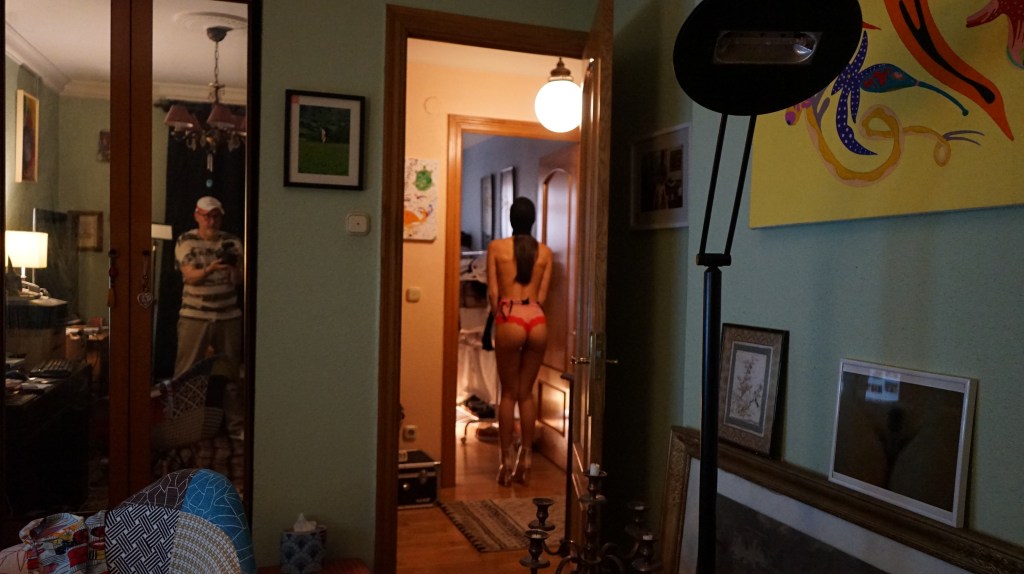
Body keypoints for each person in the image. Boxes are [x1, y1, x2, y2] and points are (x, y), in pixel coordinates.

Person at [487, 197, 552, 486]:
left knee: (508, 394)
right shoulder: (545, 252)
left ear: (511, 219)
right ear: (533, 220)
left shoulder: (496, 248)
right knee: (526, 394)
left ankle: (505, 461)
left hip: (509, 315)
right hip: (536, 318)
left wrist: (500, 318)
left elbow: (493, 292)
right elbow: (544, 296)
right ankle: (526, 458)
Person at [174, 196, 244, 437]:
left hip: (228, 315)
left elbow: (239, 280)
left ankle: (236, 427)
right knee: (186, 373)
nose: (211, 221)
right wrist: (211, 268)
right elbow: (190, 276)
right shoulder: (186, 240)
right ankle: (182, 426)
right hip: (195, 315)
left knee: (230, 373)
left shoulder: (232, 242)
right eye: (206, 216)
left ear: (221, 217)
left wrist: (233, 269)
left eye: (215, 216)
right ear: (197, 216)